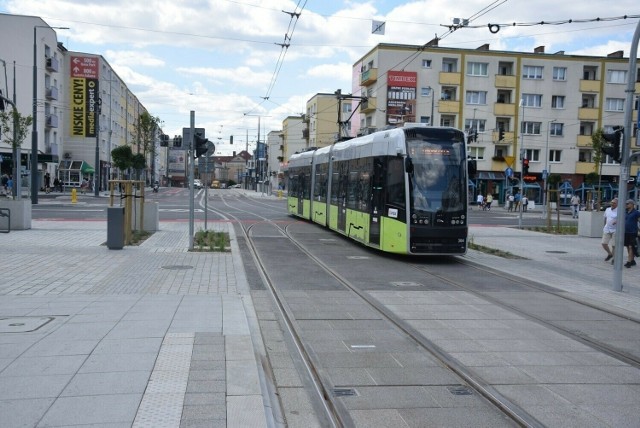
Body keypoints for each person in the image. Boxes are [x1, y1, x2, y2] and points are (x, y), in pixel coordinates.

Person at [623, 199, 640, 268]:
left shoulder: (636, 212)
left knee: (631, 246)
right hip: (626, 232)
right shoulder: (626, 212)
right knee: (628, 246)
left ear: (632, 204)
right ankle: (632, 260)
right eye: (626, 204)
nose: (626, 205)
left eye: (628, 204)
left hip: (633, 232)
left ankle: (629, 262)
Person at [602, 198, 617, 263]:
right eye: (612, 202)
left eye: (614, 203)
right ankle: (610, 253)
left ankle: (614, 258)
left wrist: (617, 221)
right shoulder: (607, 209)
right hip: (607, 229)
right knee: (604, 243)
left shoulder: (619, 210)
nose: (612, 204)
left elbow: (622, 219)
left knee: (614, 245)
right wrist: (605, 225)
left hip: (615, 229)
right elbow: (605, 218)